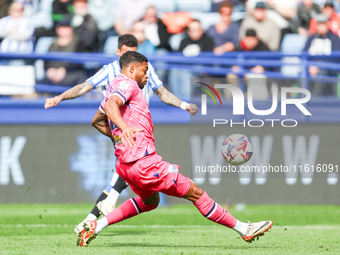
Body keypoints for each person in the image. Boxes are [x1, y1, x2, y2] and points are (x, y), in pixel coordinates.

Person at [76, 51, 273, 247]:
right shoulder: (128, 84)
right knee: (195, 192)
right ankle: (244, 229)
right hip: (144, 164)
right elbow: (111, 105)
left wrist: (119, 136)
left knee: (150, 201)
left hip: (125, 167)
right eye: (145, 71)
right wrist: (125, 129)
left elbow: (97, 121)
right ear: (132, 68)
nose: (147, 76)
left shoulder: (113, 87)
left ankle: (96, 225)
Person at [44, 34, 198, 234]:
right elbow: (84, 87)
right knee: (129, 173)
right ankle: (105, 207)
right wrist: (59, 98)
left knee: (124, 177)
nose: (130, 58)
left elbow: (162, 92)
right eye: (126, 53)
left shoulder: (145, 70)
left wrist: (184, 105)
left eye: (133, 53)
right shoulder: (110, 70)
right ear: (119, 53)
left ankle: (93, 217)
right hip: (122, 129)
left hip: (140, 129)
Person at [304, 13, 340, 95]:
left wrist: (319, 64)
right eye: (320, 24)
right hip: (311, 66)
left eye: (323, 23)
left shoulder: (334, 38)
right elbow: (304, 53)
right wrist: (310, 66)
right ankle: (301, 99)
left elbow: (335, 57)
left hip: (327, 67)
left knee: (321, 74)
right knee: (301, 72)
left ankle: (315, 101)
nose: (322, 26)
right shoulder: (311, 38)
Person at [44, 18, 87, 86]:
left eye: (66, 27)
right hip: (54, 74)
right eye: (62, 27)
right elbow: (46, 61)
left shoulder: (78, 42)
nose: (64, 30)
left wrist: (64, 69)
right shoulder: (53, 44)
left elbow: (78, 61)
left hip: (71, 73)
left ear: (71, 29)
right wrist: (50, 69)